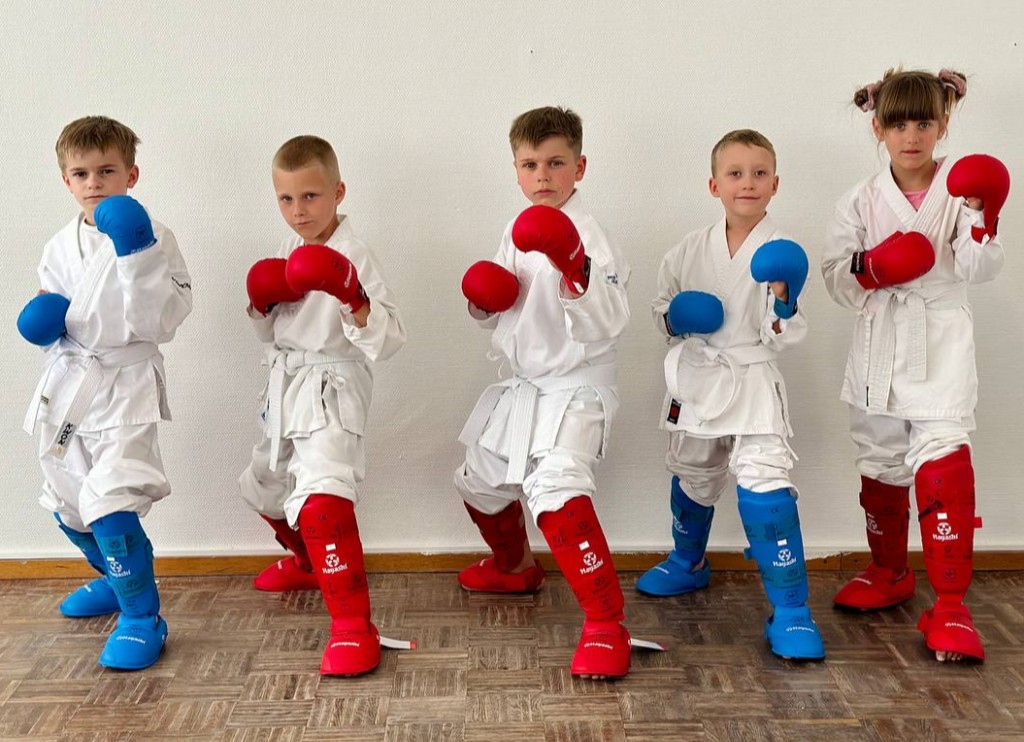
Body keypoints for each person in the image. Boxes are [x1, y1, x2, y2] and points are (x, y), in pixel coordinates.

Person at [823, 68, 1007, 663]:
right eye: (898, 123)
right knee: (879, 460)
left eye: (924, 122)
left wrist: (985, 216)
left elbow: (980, 270)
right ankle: (889, 572)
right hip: (879, 341)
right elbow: (833, 277)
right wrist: (874, 267)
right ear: (878, 128)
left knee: (943, 463)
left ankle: (951, 604)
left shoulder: (961, 190)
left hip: (939, 340)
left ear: (943, 124)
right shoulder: (859, 198)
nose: (911, 136)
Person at [455, 106, 633, 678]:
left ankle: (607, 626)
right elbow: (507, 314)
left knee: (556, 492)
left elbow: (609, 321)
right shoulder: (516, 227)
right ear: (515, 170)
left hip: (578, 388)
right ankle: (513, 567)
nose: (543, 176)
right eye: (531, 164)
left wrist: (574, 264)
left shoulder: (592, 236)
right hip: (527, 386)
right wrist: (485, 302)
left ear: (580, 168)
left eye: (556, 163)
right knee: (478, 480)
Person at [636, 129, 825, 661]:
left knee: (764, 488)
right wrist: (676, 317)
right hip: (698, 377)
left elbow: (782, 334)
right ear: (714, 184)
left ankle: (791, 611)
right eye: (736, 174)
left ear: (776, 183)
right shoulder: (686, 250)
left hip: (754, 379)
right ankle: (688, 562)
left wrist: (785, 301)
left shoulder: (780, 251)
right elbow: (660, 311)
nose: (748, 183)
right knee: (693, 473)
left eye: (759, 173)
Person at [17, 116, 193, 670]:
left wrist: (135, 250)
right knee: (68, 507)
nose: (95, 182)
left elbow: (164, 320)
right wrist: (44, 322)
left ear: (131, 174)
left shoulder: (156, 235)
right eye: (82, 172)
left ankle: (142, 616)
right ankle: (117, 583)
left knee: (111, 503)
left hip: (126, 388)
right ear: (66, 180)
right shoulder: (57, 244)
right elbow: (56, 302)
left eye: (107, 170)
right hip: (71, 387)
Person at [238, 135, 405, 676]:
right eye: (286, 200)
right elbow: (273, 335)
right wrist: (260, 304)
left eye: (310, 197)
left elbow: (390, 338)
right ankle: (309, 564)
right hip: (286, 387)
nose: (298, 211)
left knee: (324, 499)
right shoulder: (289, 250)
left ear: (338, 191)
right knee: (263, 485)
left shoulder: (356, 255)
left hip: (334, 388)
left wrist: (354, 298)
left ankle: (355, 628)